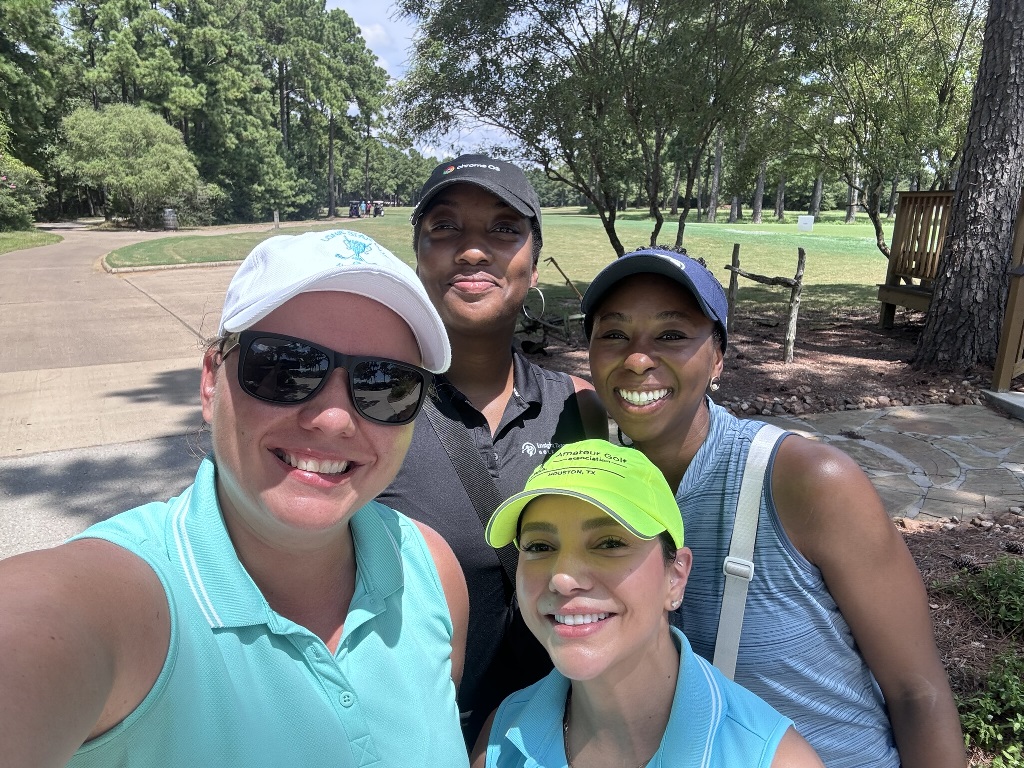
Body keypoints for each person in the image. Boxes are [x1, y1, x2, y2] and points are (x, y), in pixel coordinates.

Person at [0, 229, 470, 767]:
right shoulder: (127, 599)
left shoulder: (429, 571)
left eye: (386, 385)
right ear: (209, 382)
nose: (335, 419)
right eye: (285, 367)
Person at [580, 246, 967, 768]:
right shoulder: (595, 490)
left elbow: (917, 692)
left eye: (672, 334)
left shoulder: (806, 482)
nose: (637, 357)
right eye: (613, 334)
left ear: (718, 357)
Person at [378, 154, 608, 744]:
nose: (474, 250)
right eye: (446, 228)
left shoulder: (580, 409)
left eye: (504, 229)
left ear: (532, 263)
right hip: (416, 740)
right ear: (419, 256)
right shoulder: (369, 411)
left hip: (558, 737)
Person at [471, 440, 824, 768]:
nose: (563, 578)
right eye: (539, 547)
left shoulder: (772, 758)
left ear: (676, 577)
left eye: (609, 543)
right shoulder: (501, 739)